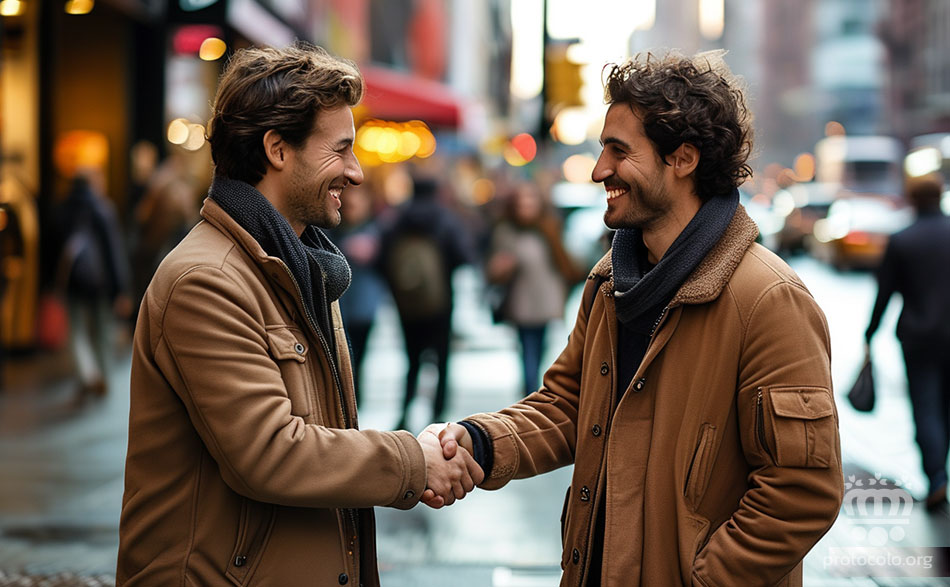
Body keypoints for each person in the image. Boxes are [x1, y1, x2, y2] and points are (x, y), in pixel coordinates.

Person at [431, 50, 843, 586]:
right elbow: (570, 404)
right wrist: (478, 443)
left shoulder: (769, 300)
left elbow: (802, 490)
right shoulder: (610, 284)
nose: (600, 169)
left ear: (683, 159)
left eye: (619, 151)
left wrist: (705, 577)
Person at [117, 43, 482, 587]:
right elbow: (270, 452)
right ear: (277, 150)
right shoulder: (208, 280)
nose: (356, 174)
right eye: (340, 151)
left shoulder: (299, 269)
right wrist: (413, 460)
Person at [865, 174, 950, 510]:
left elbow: (884, 293)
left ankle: (936, 478)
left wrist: (869, 333)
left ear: (912, 199)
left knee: (926, 407)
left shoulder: (902, 240)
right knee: (945, 407)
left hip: (918, 339)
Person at [380, 174, 474, 429]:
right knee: (442, 361)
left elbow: (382, 257)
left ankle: (405, 411)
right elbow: (464, 255)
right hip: (440, 303)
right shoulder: (444, 219)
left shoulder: (398, 219)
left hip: (407, 306)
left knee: (411, 360)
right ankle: (438, 414)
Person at [486, 180, 584, 396]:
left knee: (541, 350)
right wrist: (503, 267)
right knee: (528, 351)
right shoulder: (507, 232)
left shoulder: (549, 228)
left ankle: (531, 393)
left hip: (547, 300)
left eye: (530, 201)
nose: (527, 206)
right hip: (522, 302)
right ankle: (529, 396)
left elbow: (565, 263)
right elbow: (494, 270)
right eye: (522, 202)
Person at [55, 169, 131, 397]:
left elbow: (52, 250)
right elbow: (113, 251)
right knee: (101, 330)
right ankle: (103, 376)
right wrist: (121, 289)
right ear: (92, 183)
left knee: (76, 331)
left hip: (72, 281)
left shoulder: (62, 210)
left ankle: (86, 375)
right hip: (100, 282)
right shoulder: (102, 208)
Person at [327, 182, 386, 403]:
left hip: (365, 305)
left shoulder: (377, 230)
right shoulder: (332, 231)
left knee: (359, 354)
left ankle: (355, 395)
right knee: (344, 354)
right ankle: (349, 396)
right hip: (342, 305)